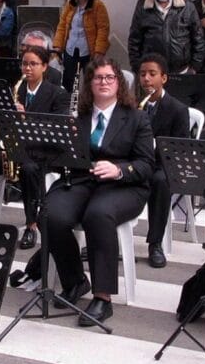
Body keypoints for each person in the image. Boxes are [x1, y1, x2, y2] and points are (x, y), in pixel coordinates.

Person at [43, 56, 154, 327]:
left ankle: (103, 297)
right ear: (89, 84)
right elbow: (61, 158)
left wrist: (119, 169)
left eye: (109, 77)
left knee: (98, 214)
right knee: (50, 214)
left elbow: (146, 165)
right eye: (98, 77)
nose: (104, 82)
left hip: (124, 185)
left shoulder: (137, 118)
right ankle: (75, 281)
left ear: (119, 83)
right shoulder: (77, 117)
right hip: (83, 180)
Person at [10, 43, 71, 250]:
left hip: (45, 154)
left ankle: (31, 225)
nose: (27, 68)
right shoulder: (16, 90)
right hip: (19, 148)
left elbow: (58, 127)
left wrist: (25, 118)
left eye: (33, 64)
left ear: (44, 67)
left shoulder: (57, 94)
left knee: (28, 169)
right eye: (24, 64)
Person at [136, 53, 191, 268]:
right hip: (137, 162)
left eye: (152, 74)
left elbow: (181, 149)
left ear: (164, 78)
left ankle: (155, 243)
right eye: (142, 74)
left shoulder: (178, 109)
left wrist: (154, 146)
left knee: (160, 182)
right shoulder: (134, 105)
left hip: (162, 165)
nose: (146, 79)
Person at [128, 0, 205, 75]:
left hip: (183, 71)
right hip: (152, 73)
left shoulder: (187, 6)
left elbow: (199, 38)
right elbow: (134, 41)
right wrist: (138, 68)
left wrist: (194, 68)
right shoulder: (142, 7)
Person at [53, 0, 111, 94]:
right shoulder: (70, 5)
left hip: (88, 51)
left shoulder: (98, 6)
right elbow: (62, 26)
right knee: (68, 81)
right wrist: (57, 46)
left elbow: (103, 29)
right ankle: (67, 102)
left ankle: (88, 103)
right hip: (70, 49)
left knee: (91, 82)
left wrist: (99, 51)